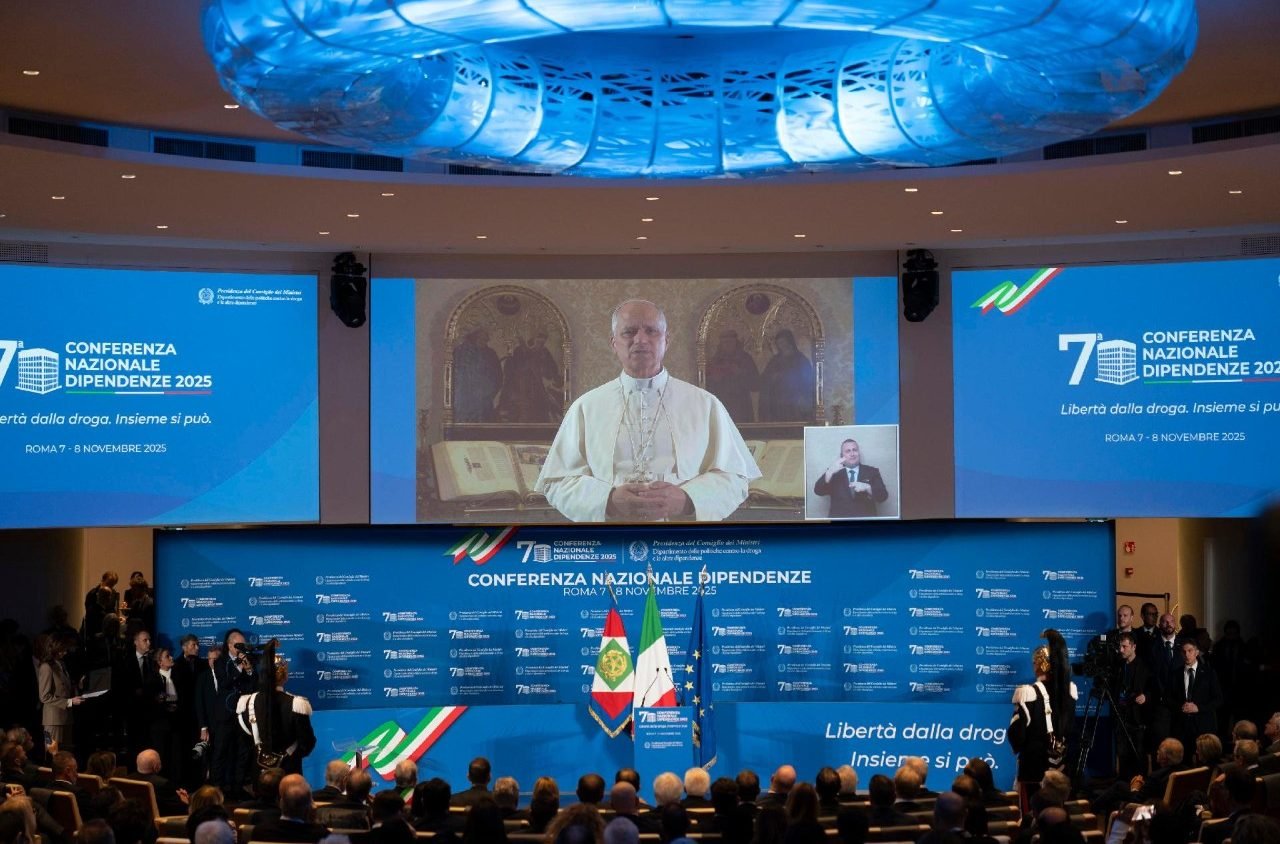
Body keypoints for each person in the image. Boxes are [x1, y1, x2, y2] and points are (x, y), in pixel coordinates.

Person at [536, 299, 760, 522]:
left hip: (681, 538)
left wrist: (688, 500)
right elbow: (557, 482)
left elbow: (735, 477)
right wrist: (608, 500)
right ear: (614, 343)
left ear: (666, 341)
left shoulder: (705, 404)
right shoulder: (586, 407)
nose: (640, 339)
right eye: (629, 332)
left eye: (651, 331)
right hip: (612, 538)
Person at [1009, 630, 1077, 810]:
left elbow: (1017, 735)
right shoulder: (1069, 692)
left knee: (1032, 813)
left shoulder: (1027, 693)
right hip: (1062, 767)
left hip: (1034, 769)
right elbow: (1071, 729)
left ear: (1038, 665)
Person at [234, 643, 316, 776]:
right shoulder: (296, 704)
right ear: (285, 676)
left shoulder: (247, 703)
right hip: (289, 771)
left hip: (260, 770)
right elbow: (307, 742)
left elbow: (245, 740)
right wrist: (291, 756)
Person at [1166, 640, 1223, 750]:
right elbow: (1167, 698)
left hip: (1203, 726)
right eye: (1184, 652)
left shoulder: (1209, 673)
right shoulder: (1175, 674)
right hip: (1181, 727)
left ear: (1197, 652)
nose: (1186, 654)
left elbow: (1218, 699)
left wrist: (1198, 708)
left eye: (1190, 651)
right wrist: (1180, 707)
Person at [813, 438, 889, 518]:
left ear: (858, 453)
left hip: (865, 522)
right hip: (840, 522)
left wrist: (868, 488)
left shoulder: (872, 471)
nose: (852, 454)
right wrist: (829, 472)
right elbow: (818, 491)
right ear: (842, 456)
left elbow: (883, 497)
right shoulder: (833, 472)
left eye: (854, 450)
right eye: (848, 451)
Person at [1113, 632, 1153, 779]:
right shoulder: (1119, 666)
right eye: (1120, 647)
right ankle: (1123, 782)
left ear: (1134, 647)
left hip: (1137, 718)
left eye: (1124, 646)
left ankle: (1140, 783)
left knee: (1138, 752)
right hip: (1121, 716)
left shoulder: (1144, 667)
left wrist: (1146, 696)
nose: (1121, 650)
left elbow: (1154, 689)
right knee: (1122, 752)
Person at [37, 634, 83, 752]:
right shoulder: (46, 667)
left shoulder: (61, 664)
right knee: (51, 753)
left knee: (66, 755)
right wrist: (69, 702)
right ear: (54, 648)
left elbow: (64, 689)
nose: (65, 652)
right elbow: (44, 696)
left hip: (66, 718)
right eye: (62, 649)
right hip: (52, 721)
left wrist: (78, 686)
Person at [758, 329, 814, 422]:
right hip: (777, 401)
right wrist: (772, 378)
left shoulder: (800, 360)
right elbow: (765, 378)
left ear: (790, 342)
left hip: (794, 400)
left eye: (783, 342)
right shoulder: (775, 360)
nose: (781, 346)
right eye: (779, 343)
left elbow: (808, 381)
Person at [705, 330, 759, 423]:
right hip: (722, 402)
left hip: (741, 404)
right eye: (725, 342)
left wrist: (740, 373)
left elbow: (756, 384)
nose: (727, 345)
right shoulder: (715, 360)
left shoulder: (745, 358)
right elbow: (706, 384)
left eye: (730, 342)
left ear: (735, 343)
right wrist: (715, 378)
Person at [452, 327, 503, 423]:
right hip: (466, 399)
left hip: (484, 398)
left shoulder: (490, 354)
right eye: (481, 339)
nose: (484, 342)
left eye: (486, 340)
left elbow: (498, 376)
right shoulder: (461, 351)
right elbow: (456, 375)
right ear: (474, 337)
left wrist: (488, 392)